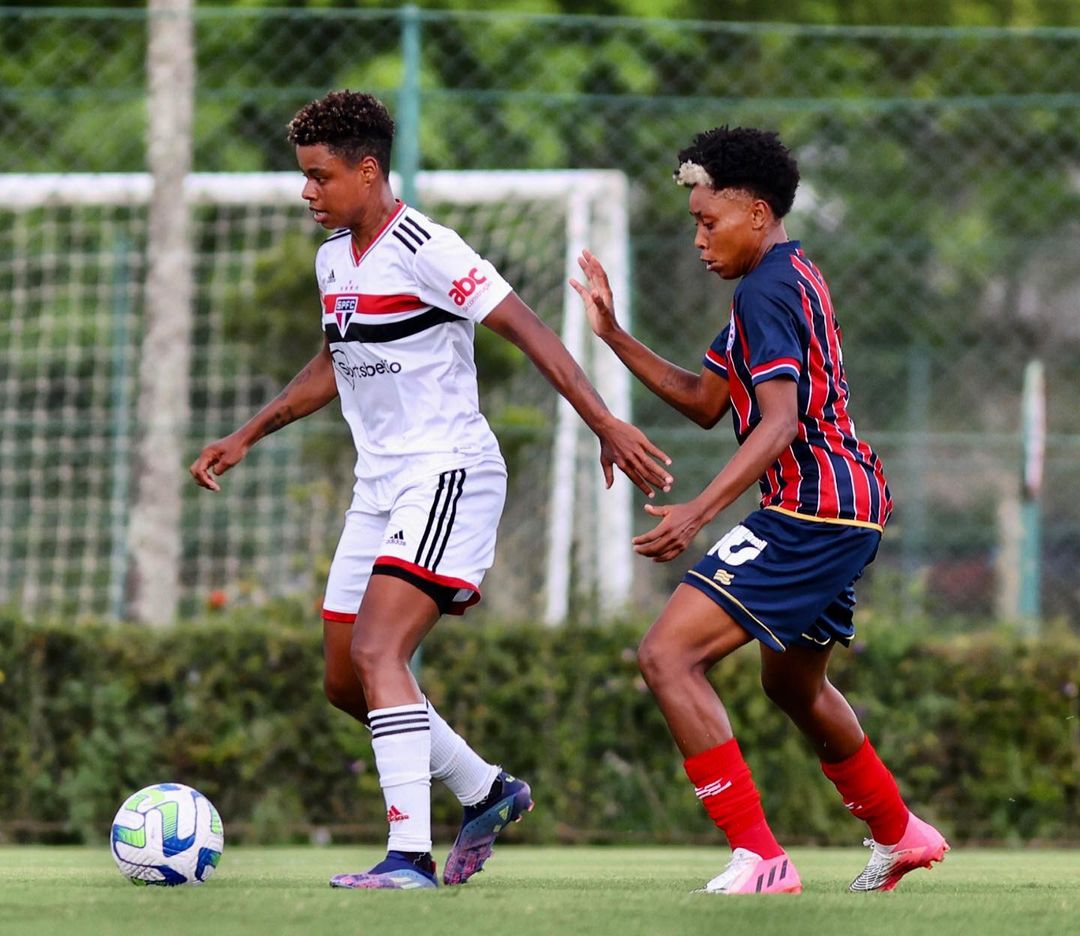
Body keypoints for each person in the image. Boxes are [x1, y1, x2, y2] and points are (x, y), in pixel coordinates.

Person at [190, 90, 673, 891]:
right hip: (377, 486)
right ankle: (487, 789)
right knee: (348, 680)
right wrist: (247, 432)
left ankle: (407, 858)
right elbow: (332, 361)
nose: (306, 192)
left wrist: (604, 423)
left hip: (446, 471)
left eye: (319, 177)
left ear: (367, 170)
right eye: (302, 177)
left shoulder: (428, 248)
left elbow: (531, 330)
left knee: (382, 650)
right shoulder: (331, 258)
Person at [570, 126, 948, 895]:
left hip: (811, 507)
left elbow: (777, 424)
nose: (700, 239)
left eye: (710, 222)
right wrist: (611, 334)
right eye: (694, 223)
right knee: (792, 687)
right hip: (847, 505)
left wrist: (698, 514)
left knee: (667, 656)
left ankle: (760, 858)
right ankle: (902, 833)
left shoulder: (767, 289)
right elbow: (706, 401)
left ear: (758, 210)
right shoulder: (784, 279)